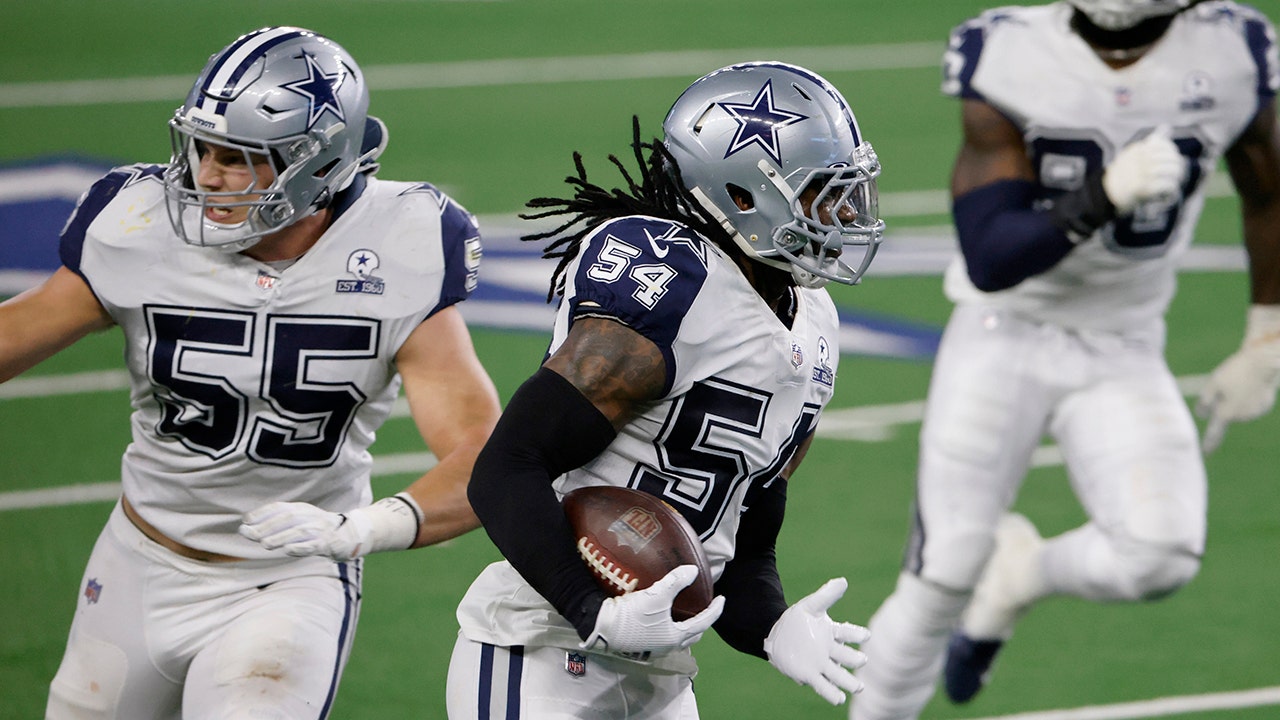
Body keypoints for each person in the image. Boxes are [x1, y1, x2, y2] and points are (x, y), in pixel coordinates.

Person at [0, 26, 501, 719]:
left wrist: (367, 526)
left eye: (238, 158)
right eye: (202, 149)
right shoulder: (138, 226)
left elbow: (484, 457)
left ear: (315, 164)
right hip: (139, 560)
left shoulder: (402, 246)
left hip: (288, 581)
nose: (206, 174)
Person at [849, 1, 1280, 718]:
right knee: (942, 573)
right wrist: (1102, 195)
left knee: (1160, 553)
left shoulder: (1233, 49)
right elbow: (992, 256)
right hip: (1005, 332)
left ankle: (1021, 575)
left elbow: (1269, 190)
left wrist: (1268, 332)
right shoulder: (1011, 48)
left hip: (1125, 342)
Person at [444, 61, 885, 718]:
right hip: (541, 647)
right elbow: (507, 467)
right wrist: (595, 613)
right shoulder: (674, 286)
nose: (844, 213)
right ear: (744, 194)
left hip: (662, 674)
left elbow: (744, 539)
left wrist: (772, 627)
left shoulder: (814, 321)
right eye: (821, 192)